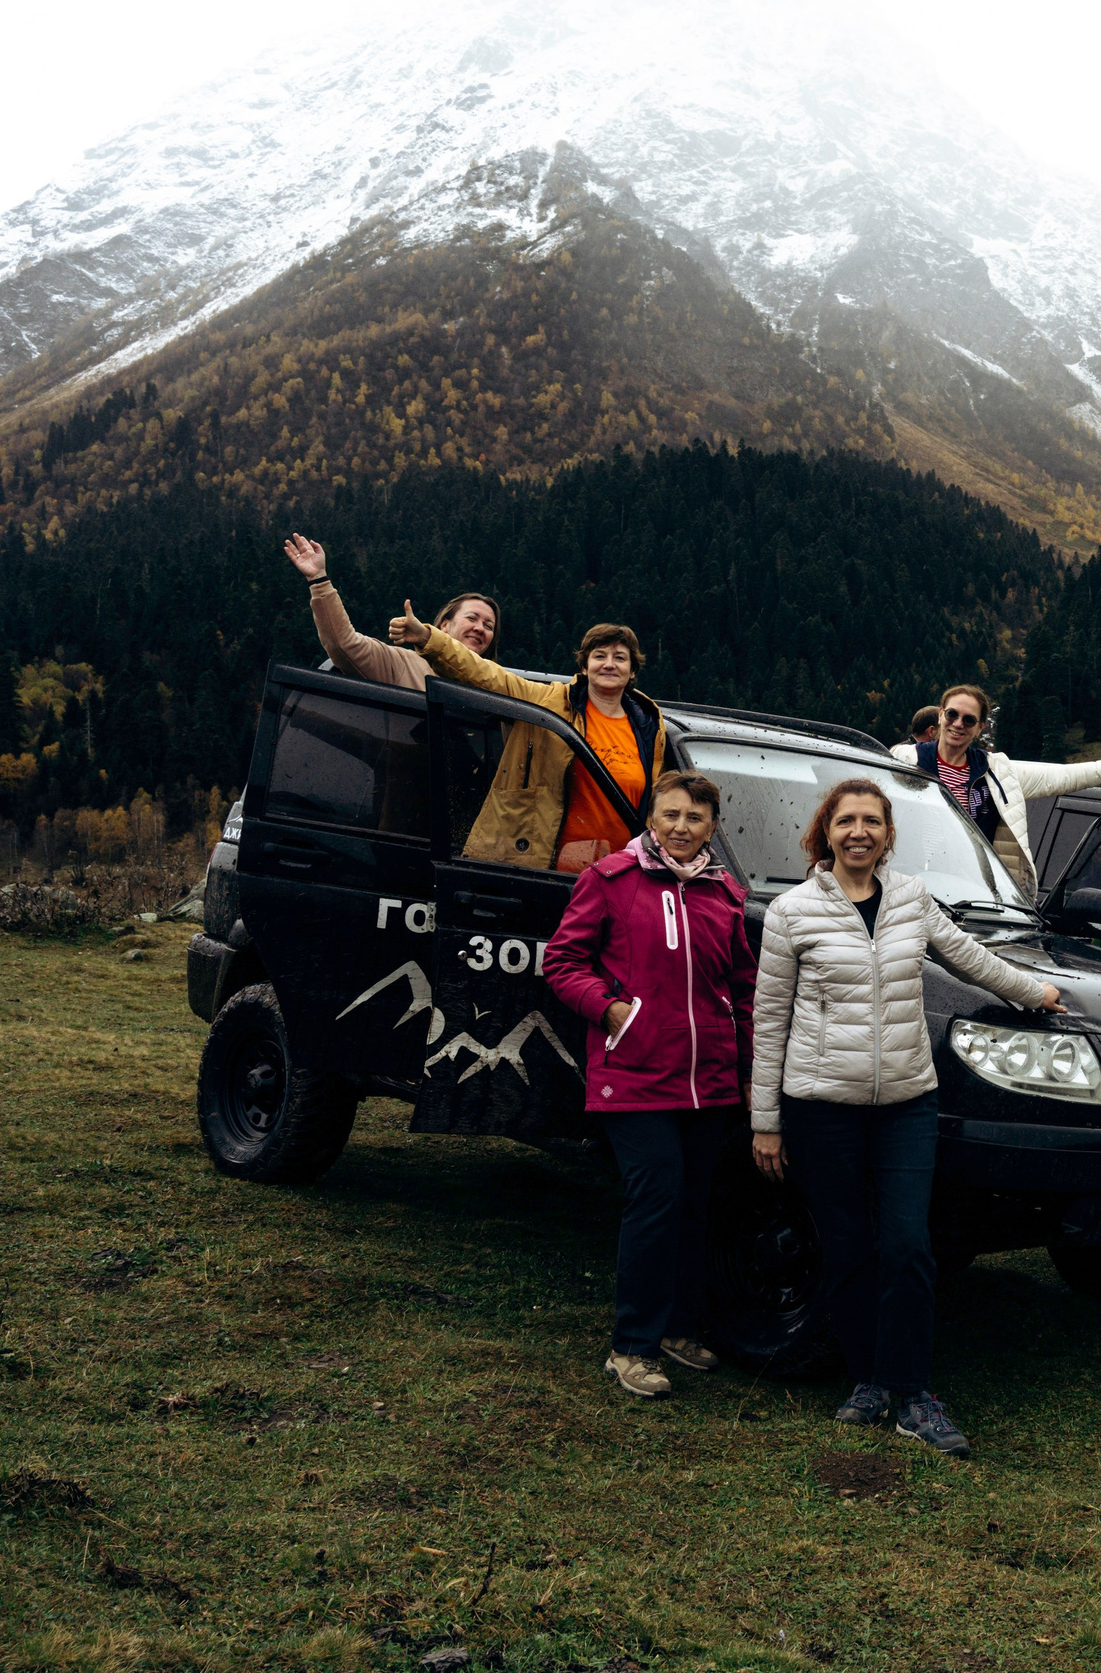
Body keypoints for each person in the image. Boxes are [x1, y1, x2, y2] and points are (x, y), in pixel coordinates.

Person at [748, 778, 1064, 1456]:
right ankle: (868, 1380)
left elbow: (969, 957)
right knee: (846, 1246)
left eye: (872, 821)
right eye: (846, 821)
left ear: (888, 835)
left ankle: (914, 1394)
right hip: (821, 1106)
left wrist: (1033, 992)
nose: (859, 832)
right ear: (826, 832)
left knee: (907, 1245)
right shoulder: (792, 913)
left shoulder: (912, 899)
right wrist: (765, 1118)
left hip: (906, 1102)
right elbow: (769, 1020)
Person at [542, 772, 755, 1398]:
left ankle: (678, 1330)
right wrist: (609, 1009)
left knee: (694, 1205)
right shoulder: (610, 879)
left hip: (709, 1081)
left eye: (695, 817)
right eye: (671, 815)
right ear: (651, 819)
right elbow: (562, 961)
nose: (682, 827)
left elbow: (742, 988)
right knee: (656, 1200)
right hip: (635, 1074)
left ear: (712, 826)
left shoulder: (725, 895)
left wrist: (745, 1067)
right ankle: (631, 1346)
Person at [391, 610, 668, 872]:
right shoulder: (549, 702)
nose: (609, 664)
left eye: (619, 658)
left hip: (621, 871)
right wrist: (428, 638)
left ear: (632, 671)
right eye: (599, 656)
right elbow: (486, 675)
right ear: (584, 667)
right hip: (550, 868)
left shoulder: (649, 728)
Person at [891, 683, 1101, 898]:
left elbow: (1053, 778)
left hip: (968, 893)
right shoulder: (906, 760)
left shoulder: (996, 771)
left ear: (980, 727)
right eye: (952, 714)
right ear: (940, 715)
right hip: (907, 885)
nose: (958, 724)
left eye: (969, 720)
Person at [283, 533, 497, 687]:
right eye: (472, 618)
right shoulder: (403, 664)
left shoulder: (499, 688)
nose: (480, 628)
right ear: (445, 626)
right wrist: (319, 581)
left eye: (488, 626)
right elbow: (343, 645)